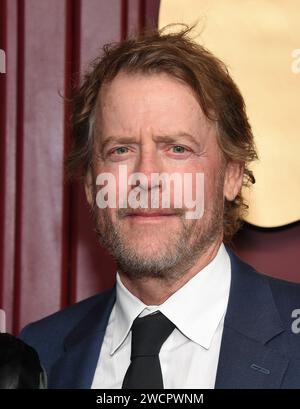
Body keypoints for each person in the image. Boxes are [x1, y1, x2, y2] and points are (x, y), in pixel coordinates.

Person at [20, 26, 300, 389]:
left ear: (232, 174)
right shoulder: (39, 353)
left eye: (177, 149)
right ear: (90, 183)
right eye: (120, 150)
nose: (146, 177)